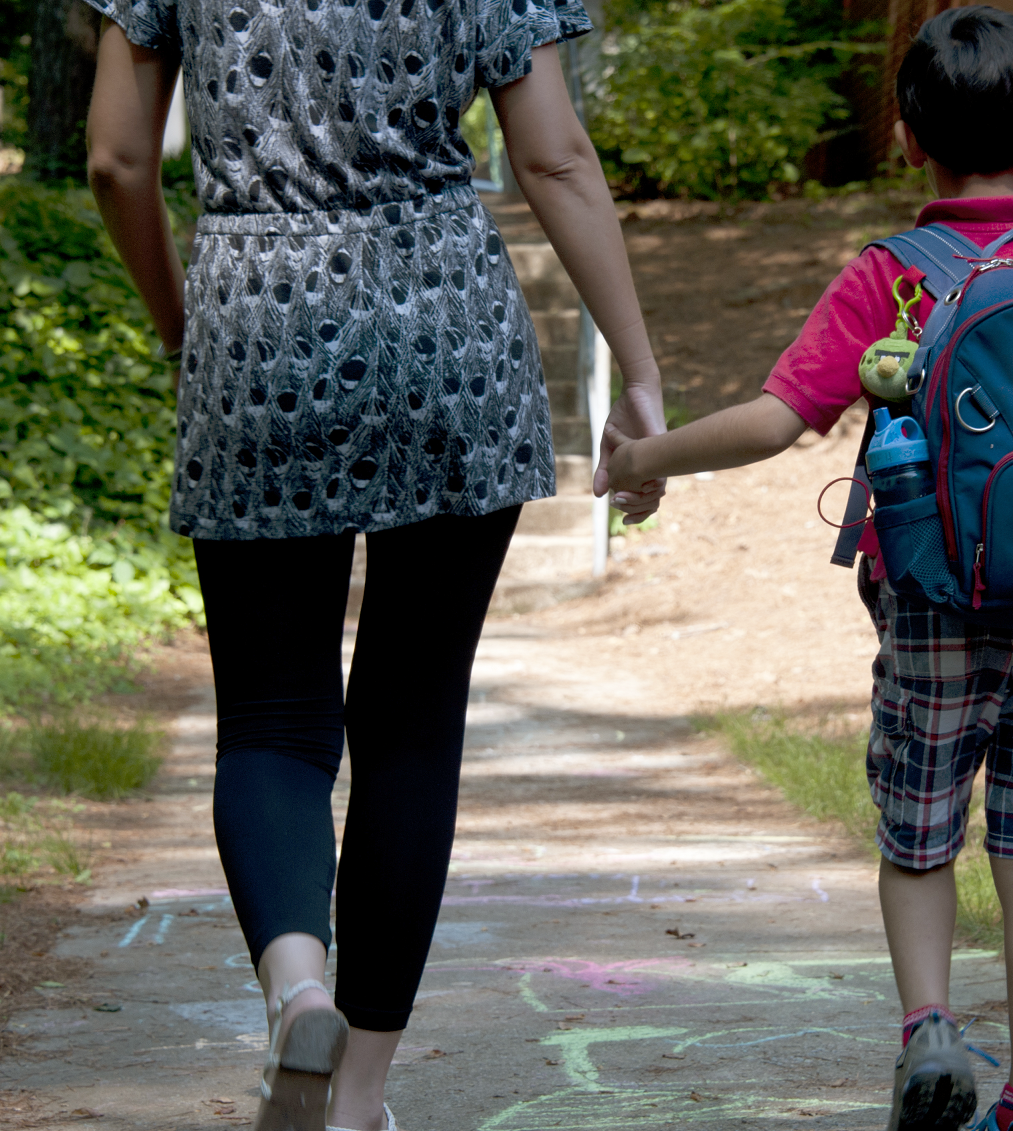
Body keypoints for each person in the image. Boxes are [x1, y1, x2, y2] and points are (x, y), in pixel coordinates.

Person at [82, 0, 666, 1126]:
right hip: (447, 330)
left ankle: (297, 989)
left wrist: (181, 329)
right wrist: (636, 375)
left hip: (256, 329)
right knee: (410, 728)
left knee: (271, 718)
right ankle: (355, 1102)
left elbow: (116, 158)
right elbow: (553, 155)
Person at [599, 9, 1013, 1131]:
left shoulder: (891, 276)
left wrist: (643, 459)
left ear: (907, 139)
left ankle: (929, 1029)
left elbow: (777, 420)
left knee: (919, 839)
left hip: (933, 601)